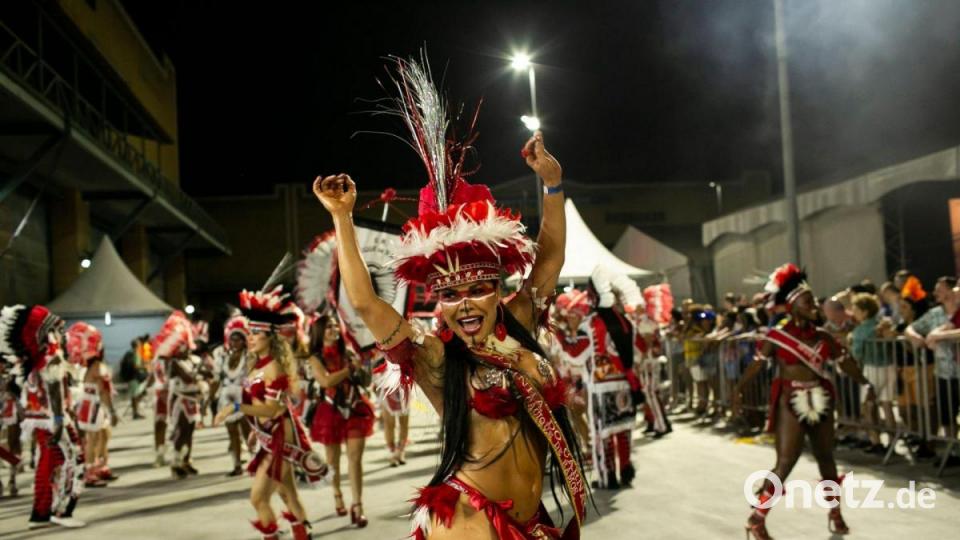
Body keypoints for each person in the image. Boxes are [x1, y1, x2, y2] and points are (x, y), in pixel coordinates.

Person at [313, 53, 585, 540]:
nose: (464, 304)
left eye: (477, 290)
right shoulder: (435, 357)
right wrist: (342, 220)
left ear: (498, 289)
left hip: (532, 523)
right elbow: (367, 305)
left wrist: (552, 183)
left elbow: (548, 260)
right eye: (450, 294)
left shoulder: (520, 318)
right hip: (470, 524)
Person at [736, 264, 873, 539]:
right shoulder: (777, 336)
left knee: (826, 458)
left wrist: (865, 383)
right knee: (786, 461)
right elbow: (756, 366)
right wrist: (736, 391)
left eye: (814, 302)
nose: (815, 306)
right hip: (790, 400)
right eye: (808, 302)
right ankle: (757, 517)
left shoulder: (823, 337)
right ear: (792, 305)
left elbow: (845, 364)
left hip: (820, 398)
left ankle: (835, 513)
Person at [214, 287, 328, 540]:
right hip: (268, 436)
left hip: (280, 440)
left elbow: (273, 409)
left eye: (256, 333)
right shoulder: (258, 365)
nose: (250, 338)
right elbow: (262, 408)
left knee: (258, 498)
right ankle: (302, 533)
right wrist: (256, 431)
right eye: (249, 333)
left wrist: (234, 407)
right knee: (288, 493)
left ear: (270, 338)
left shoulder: (273, 368)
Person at [0, 304, 85, 528]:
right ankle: (62, 510)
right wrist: (58, 420)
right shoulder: (49, 356)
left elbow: (18, 389)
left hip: (39, 419)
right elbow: (55, 387)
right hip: (53, 419)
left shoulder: (31, 359)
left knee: (47, 464)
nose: (59, 331)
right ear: (41, 332)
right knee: (74, 461)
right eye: (53, 327)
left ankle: (41, 512)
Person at [308, 314, 374, 526]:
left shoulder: (348, 352)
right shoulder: (315, 358)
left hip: (355, 408)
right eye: (329, 326)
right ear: (320, 331)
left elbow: (365, 380)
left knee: (355, 460)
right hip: (330, 412)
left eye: (336, 325)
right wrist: (349, 369)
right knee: (332, 462)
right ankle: (337, 494)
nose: (334, 329)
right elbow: (326, 380)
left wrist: (364, 365)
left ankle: (358, 505)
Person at [67, 322, 118, 487]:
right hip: (93, 406)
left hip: (91, 405)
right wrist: (111, 410)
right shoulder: (97, 367)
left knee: (103, 435)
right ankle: (89, 471)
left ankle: (100, 466)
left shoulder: (91, 367)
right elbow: (104, 391)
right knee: (93, 438)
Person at [151, 311, 200, 479]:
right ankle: (172, 459)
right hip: (176, 398)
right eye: (182, 346)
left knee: (189, 430)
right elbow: (186, 376)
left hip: (191, 399)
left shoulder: (191, 359)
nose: (186, 348)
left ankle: (186, 460)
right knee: (175, 427)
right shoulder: (172, 362)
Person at [210, 315, 253, 476]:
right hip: (226, 399)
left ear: (244, 340)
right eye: (232, 339)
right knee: (232, 433)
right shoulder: (222, 358)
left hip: (243, 398)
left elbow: (252, 378)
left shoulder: (249, 357)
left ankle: (255, 462)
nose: (235, 343)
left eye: (238, 339)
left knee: (247, 433)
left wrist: (248, 392)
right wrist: (210, 400)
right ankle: (236, 465)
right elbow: (216, 380)